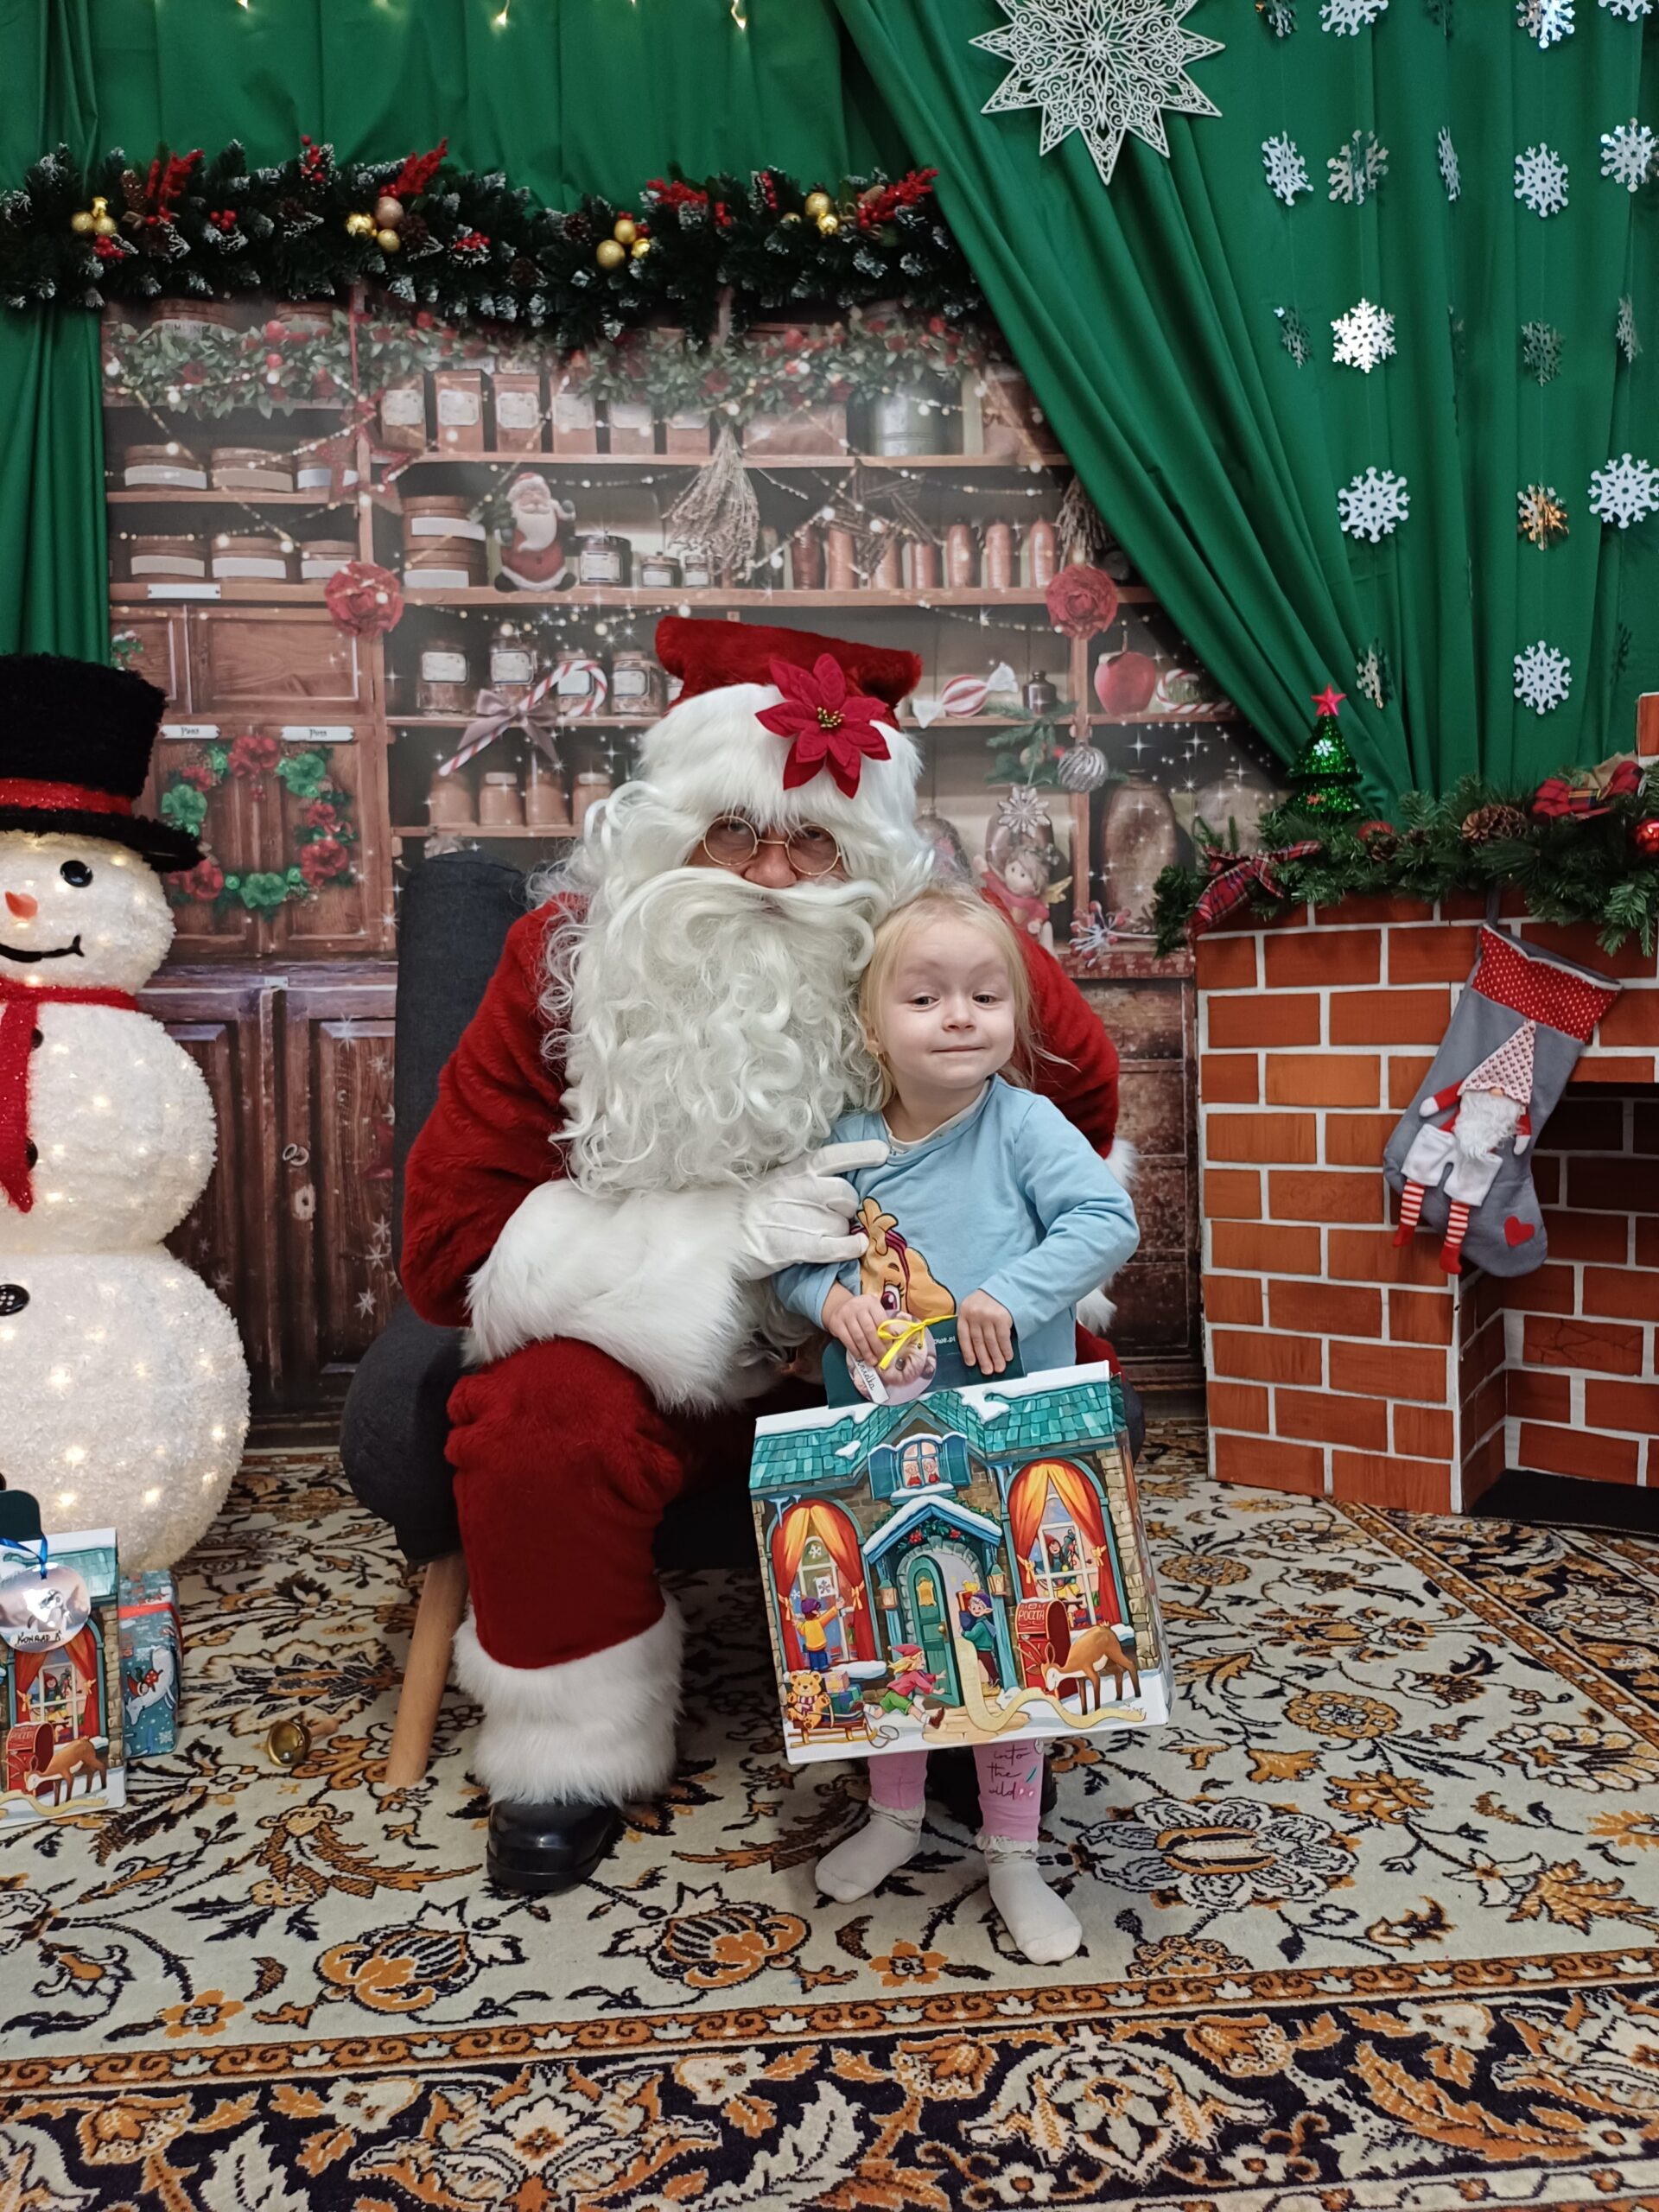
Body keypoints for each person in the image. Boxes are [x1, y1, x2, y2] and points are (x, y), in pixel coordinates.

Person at [399, 619, 1133, 1897]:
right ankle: (570, 1748)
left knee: (1047, 1386)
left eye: (817, 842)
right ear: (668, 833)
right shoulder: (565, 959)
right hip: (665, 1363)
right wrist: (724, 1246)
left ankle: (982, 1693)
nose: (776, 875)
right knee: (533, 1421)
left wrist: (978, 1274)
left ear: (870, 854)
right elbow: (453, 1239)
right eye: (735, 833)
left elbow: (1082, 1101)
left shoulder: (936, 952)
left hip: (905, 1348)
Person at [773, 886, 1139, 1964]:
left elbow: (1105, 1218)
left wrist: (1013, 1293)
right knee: (891, 1635)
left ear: (1014, 1017)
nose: (960, 1017)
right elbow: (793, 1256)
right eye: (926, 997)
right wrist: (827, 1302)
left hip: (1010, 1437)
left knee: (1017, 1638)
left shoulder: (1022, 1124)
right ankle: (892, 1814)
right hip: (875, 1438)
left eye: (985, 996)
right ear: (871, 1026)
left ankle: (1014, 1849)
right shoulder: (845, 1143)